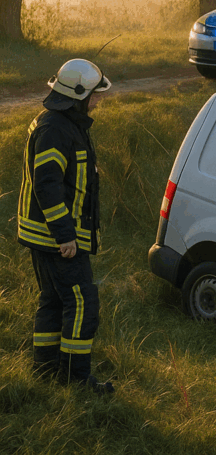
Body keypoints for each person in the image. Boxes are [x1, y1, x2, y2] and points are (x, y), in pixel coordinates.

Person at [18, 58, 114, 395]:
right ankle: (76, 379)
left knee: (53, 300)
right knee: (82, 302)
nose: (97, 101)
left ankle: (45, 372)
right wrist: (65, 236)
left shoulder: (63, 123)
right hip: (56, 238)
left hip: (47, 236)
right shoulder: (55, 130)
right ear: (78, 96)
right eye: (94, 96)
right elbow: (47, 186)